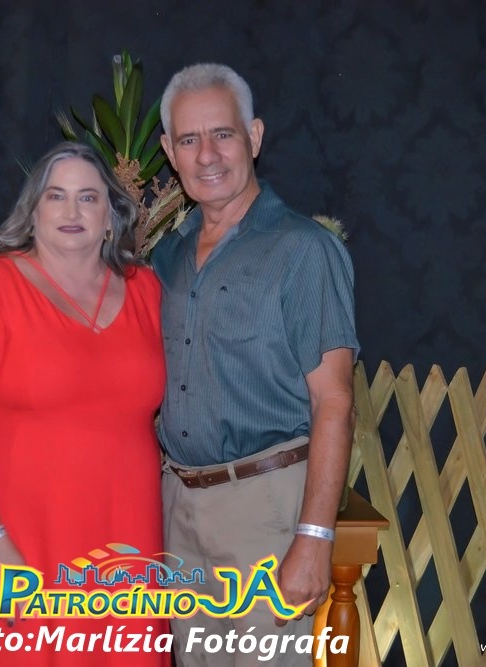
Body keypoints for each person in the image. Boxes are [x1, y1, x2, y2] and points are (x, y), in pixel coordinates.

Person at [0, 142, 169, 667]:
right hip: (22, 538)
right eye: (55, 196)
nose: (72, 211)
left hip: (128, 539)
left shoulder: (147, 292)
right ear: (33, 212)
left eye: (88, 197)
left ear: (111, 216)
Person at [151, 63, 359, 666]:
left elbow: (334, 400)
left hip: (266, 511)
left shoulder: (303, 250)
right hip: (180, 511)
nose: (207, 155)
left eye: (223, 134)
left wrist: (314, 537)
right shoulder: (168, 258)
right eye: (189, 139)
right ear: (169, 151)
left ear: (255, 137)